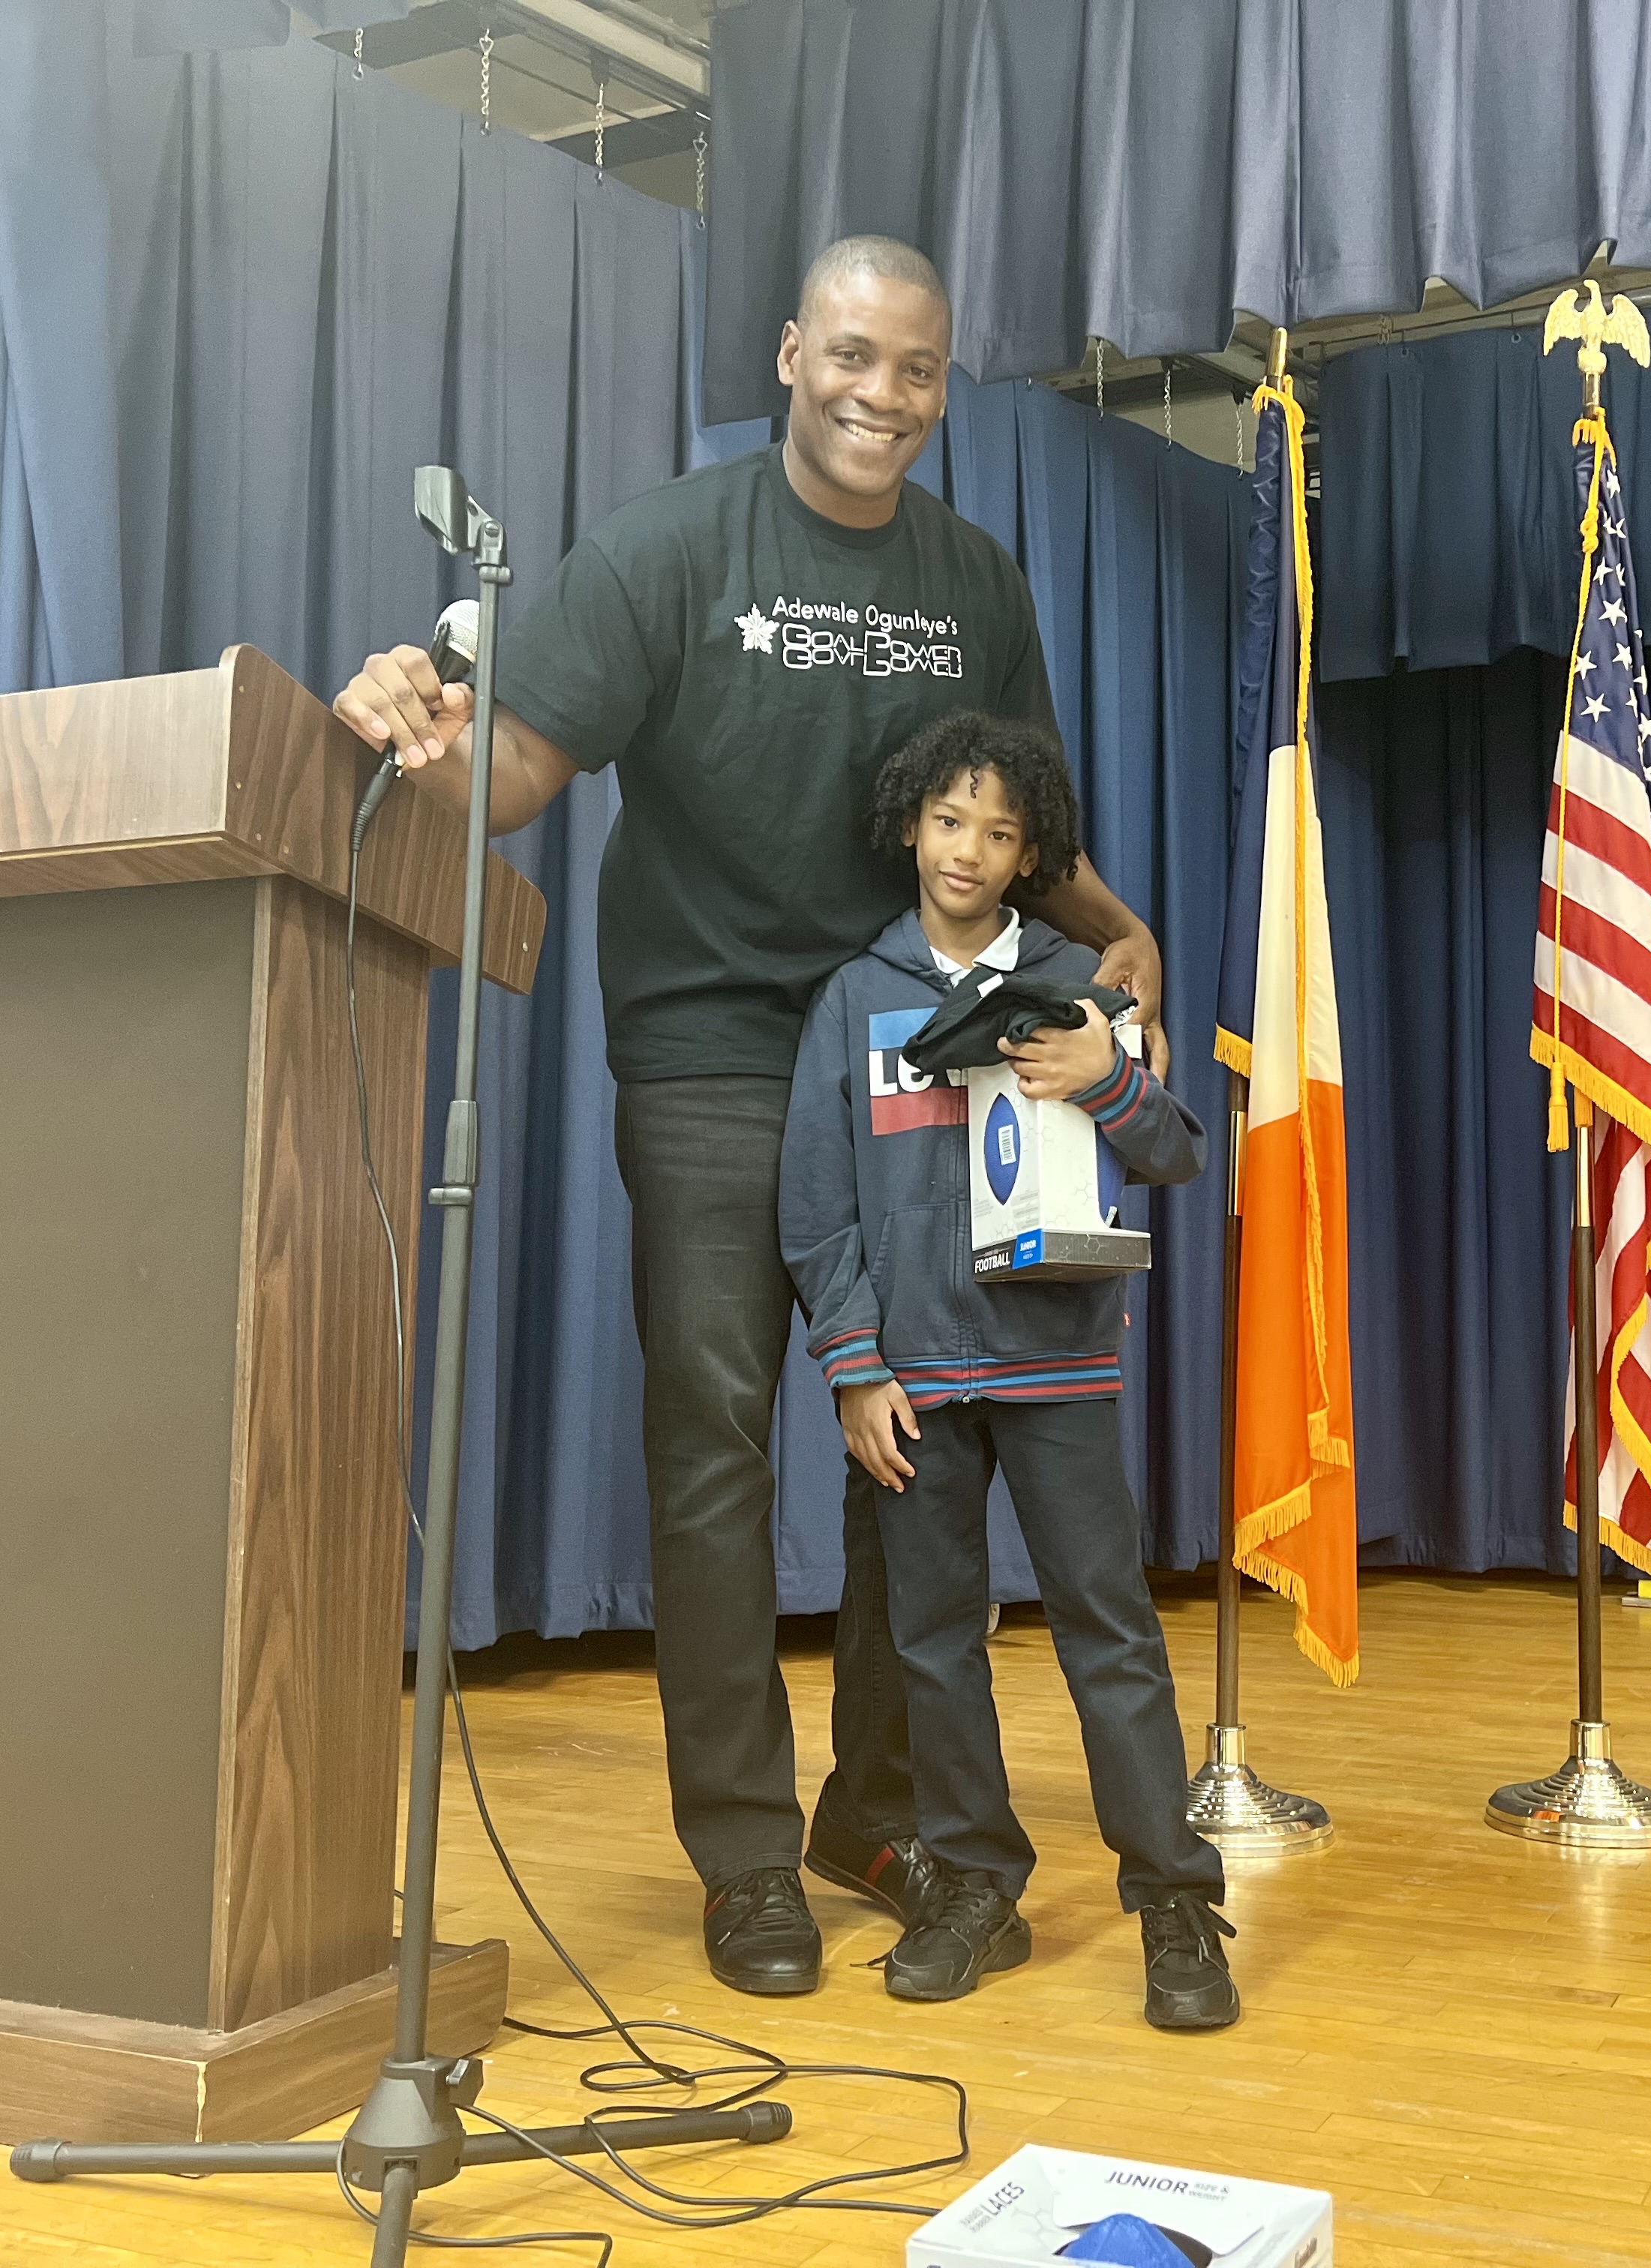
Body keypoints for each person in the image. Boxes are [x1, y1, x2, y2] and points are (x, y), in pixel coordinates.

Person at [332, 236, 1170, 1996]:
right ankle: (737, 1855)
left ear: (944, 387)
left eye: (918, 369)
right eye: (852, 355)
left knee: (914, 1433)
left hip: (911, 1054)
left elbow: (1015, 815)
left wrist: (1118, 932)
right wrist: (407, 734)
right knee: (715, 1439)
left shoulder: (974, 579)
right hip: (712, 1053)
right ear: (793, 353)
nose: (881, 394)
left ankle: (870, 1816)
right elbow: (522, 763)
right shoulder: (670, 547)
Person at [778, 712, 1238, 2030]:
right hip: (912, 1380)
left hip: (1057, 1376)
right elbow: (815, 1208)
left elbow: (1174, 1151)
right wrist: (857, 1366)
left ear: (1032, 849)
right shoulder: (858, 997)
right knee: (933, 1644)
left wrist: (1105, 1073)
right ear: (908, 827)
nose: (966, 851)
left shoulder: (1084, 985)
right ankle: (976, 1888)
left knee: (1111, 1636)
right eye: (946, 822)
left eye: (997, 830)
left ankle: (1173, 1901)